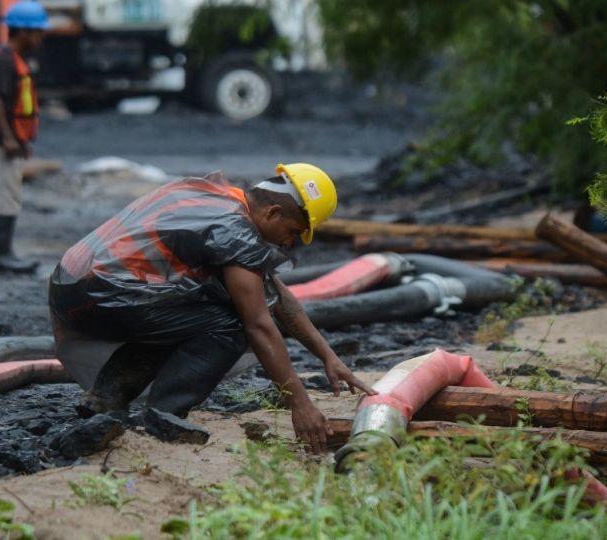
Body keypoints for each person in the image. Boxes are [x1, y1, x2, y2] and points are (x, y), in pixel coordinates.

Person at [48, 163, 377, 453]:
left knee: (193, 316)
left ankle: (104, 400)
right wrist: (300, 404)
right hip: (106, 295)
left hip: (77, 286)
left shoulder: (222, 201)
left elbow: (278, 296)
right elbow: (259, 324)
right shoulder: (235, 232)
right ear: (273, 212)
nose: (288, 243)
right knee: (230, 321)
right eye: (292, 232)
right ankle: (162, 416)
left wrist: (328, 357)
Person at [0, 1, 48, 273]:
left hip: (6, 140)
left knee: (6, 194)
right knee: (1, 195)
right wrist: (7, 138)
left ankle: (1, 254)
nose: (42, 36)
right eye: (38, 31)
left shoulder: (12, 60)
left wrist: (20, 140)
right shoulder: (3, 61)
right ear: (23, 32)